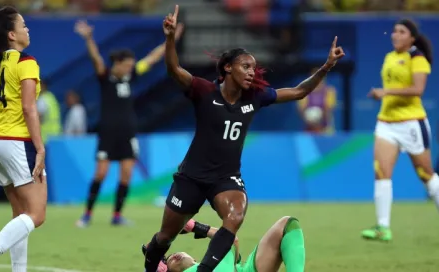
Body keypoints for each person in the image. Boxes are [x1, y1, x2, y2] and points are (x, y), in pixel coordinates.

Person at [144, 5, 344, 272]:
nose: (252, 72)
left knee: (235, 215)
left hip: (225, 177)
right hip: (191, 176)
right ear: (228, 68)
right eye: (246, 66)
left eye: (254, 67)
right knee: (165, 237)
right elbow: (174, 70)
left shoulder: (256, 97)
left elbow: (298, 92)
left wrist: (326, 67)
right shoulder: (205, 91)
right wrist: (170, 38)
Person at [74, 20, 184, 227]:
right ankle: (87, 214)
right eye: (127, 65)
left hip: (128, 133)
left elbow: (152, 58)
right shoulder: (105, 77)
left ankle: (117, 216)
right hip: (107, 134)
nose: (130, 68)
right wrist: (89, 38)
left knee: (126, 175)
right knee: (101, 173)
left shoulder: (131, 76)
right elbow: (96, 58)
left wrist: (171, 40)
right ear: (118, 63)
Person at [362, 19, 439, 242]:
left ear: (412, 38)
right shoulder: (390, 57)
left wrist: (385, 92)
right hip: (386, 122)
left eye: (401, 32)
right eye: (394, 31)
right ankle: (383, 227)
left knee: (426, 175)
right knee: (381, 171)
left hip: (411, 123)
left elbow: (418, 89)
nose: (395, 35)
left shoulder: (417, 59)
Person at [0, 6, 47, 272]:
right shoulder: (26, 62)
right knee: (36, 214)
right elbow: (29, 108)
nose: (28, 29)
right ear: (12, 35)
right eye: (23, 25)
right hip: (16, 141)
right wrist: (39, 148)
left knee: (19, 214)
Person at [143, 216, 305, 272]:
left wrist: (196, 227)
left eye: (172, 254)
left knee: (287, 224)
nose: (173, 257)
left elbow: (231, 239)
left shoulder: (212, 258)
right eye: (168, 259)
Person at [297, 67, 337, 134]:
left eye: (321, 77)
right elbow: (301, 110)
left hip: (326, 129)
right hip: (309, 129)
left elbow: (328, 109)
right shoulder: (304, 92)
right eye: (315, 77)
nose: (318, 80)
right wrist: (310, 120)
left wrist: (319, 120)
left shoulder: (330, 91)